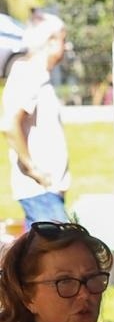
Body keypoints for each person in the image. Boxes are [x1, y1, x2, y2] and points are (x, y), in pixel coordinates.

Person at [2, 12, 71, 227]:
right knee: (58, 245)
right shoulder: (29, 72)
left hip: (47, 190)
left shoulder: (37, 74)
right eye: (63, 40)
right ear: (50, 41)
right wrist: (33, 169)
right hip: (40, 191)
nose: (67, 46)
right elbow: (9, 123)